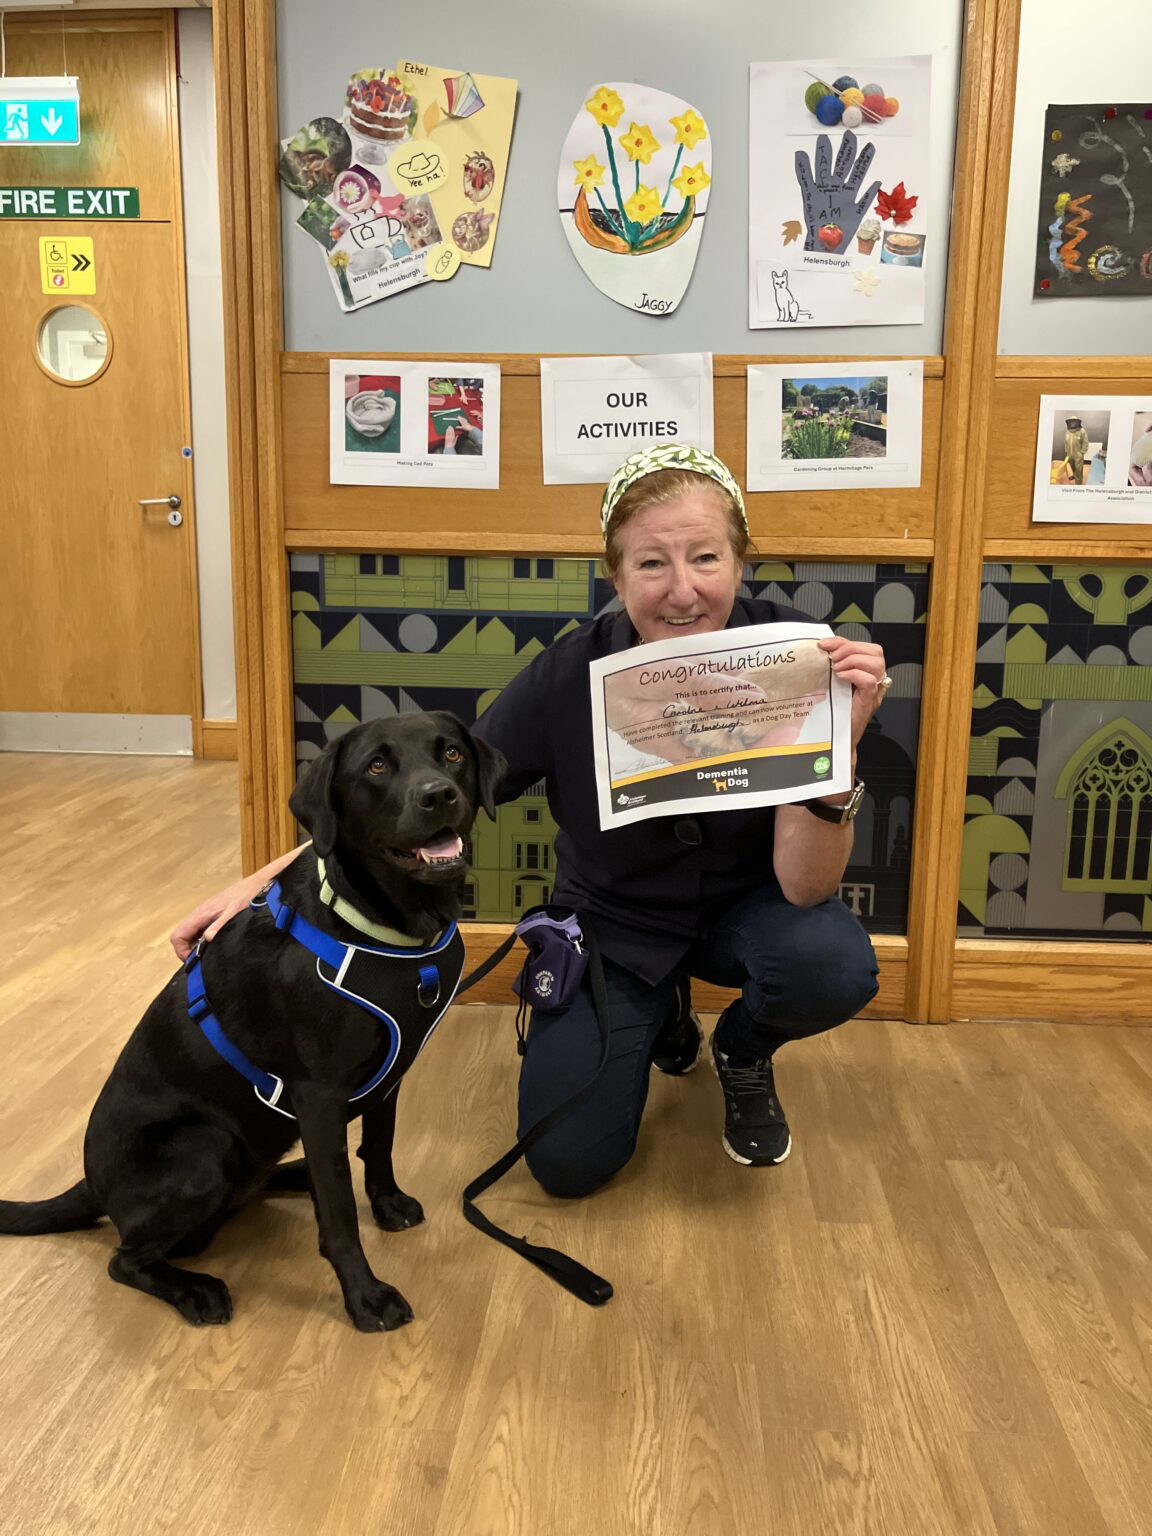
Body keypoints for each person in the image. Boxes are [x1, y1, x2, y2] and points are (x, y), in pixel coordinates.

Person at [171, 445, 888, 1194]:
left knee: (831, 965)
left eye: (706, 557)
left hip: (755, 912)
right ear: (615, 577)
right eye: (651, 564)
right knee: (569, 1163)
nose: (683, 591)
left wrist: (839, 752)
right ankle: (663, 1016)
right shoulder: (567, 676)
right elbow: (437, 794)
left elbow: (805, 888)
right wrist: (257, 888)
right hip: (616, 926)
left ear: (740, 562)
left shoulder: (801, 659)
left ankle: (742, 1051)